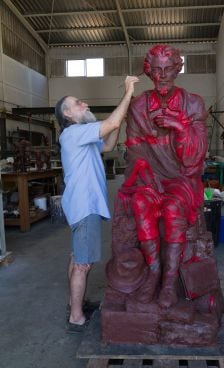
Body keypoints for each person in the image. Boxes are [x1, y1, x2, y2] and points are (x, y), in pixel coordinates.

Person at [107, 45, 208, 309]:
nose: (162, 76)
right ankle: (153, 272)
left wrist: (180, 126)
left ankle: (168, 281)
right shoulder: (139, 106)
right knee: (141, 203)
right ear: (149, 71)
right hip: (149, 177)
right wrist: (146, 176)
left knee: (173, 209)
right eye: (156, 70)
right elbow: (135, 149)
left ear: (178, 69)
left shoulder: (194, 103)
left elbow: (194, 159)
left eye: (168, 69)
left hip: (181, 179)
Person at [55, 75, 139, 332]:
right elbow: (110, 122)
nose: (85, 104)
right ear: (67, 114)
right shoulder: (73, 133)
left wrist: (120, 124)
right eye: (78, 103)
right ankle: (76, 318)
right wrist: (127, 92)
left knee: (76, 257)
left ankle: (74, 304)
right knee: (83, 263)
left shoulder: (82, 136)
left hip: (81, 205)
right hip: (84, 205)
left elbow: (108, 144)